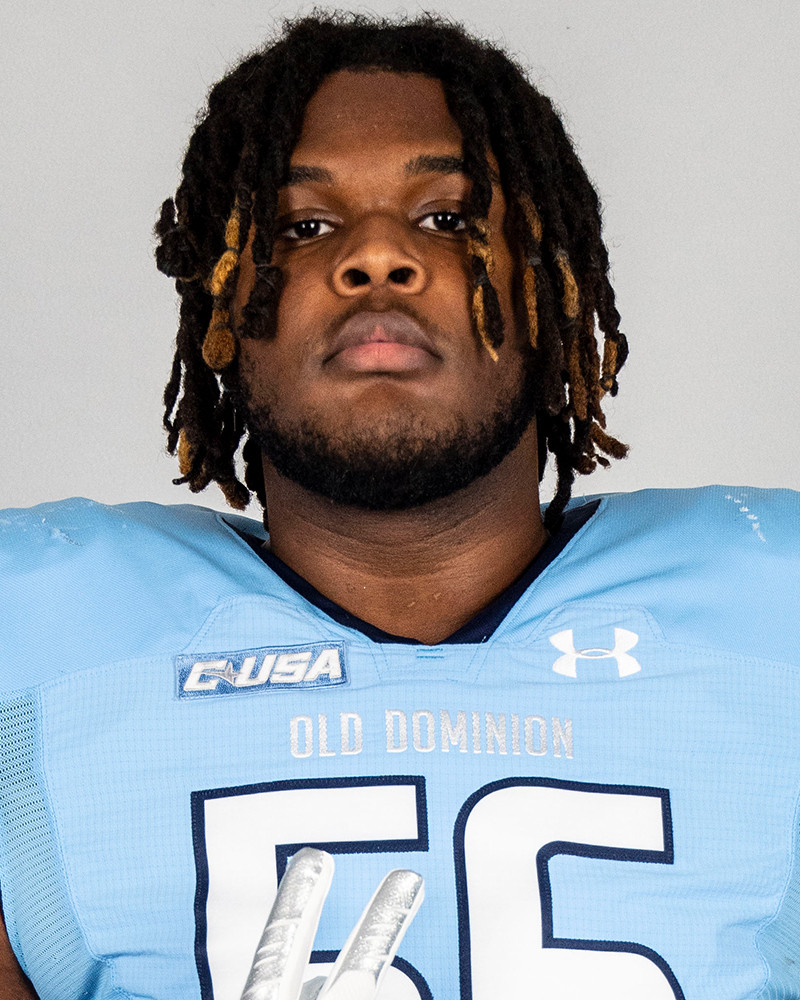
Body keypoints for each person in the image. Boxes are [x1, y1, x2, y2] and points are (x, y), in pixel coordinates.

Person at [0, 10, 797, 1000]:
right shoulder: (32, 622)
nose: (376, 257)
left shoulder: (776, 597)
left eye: (447, 218)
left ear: (551, 285)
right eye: (304, 226)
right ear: (222, 311)